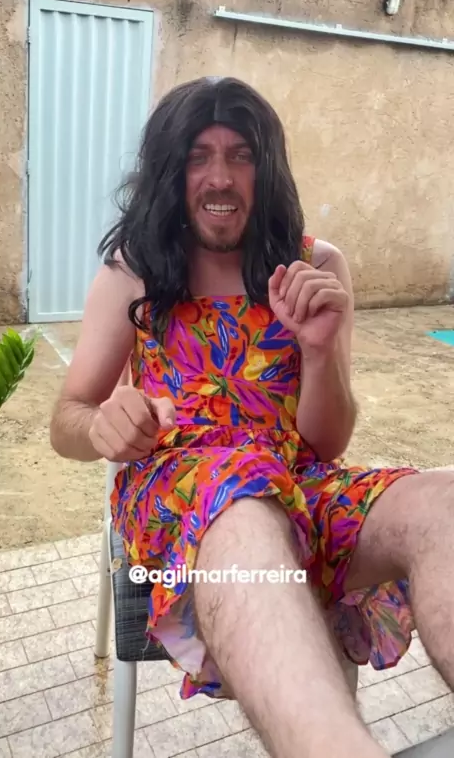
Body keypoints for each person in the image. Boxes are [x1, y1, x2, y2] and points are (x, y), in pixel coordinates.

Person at [50, 77, 453, 758]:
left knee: (444, 500)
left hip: (300, 484)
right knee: (241, 496)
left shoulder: (314, 267)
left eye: (241, 155)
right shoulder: (135, 271)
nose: (220, 177)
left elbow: (325, 444)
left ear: (266, 169)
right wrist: (100, 426)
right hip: (183, 497)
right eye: (198, 156)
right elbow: (67, 417)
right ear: (169, 171)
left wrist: (318, 350)